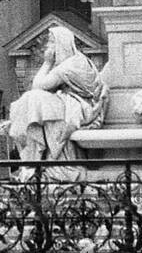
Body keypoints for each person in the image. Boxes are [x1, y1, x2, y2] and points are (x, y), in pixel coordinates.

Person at [6, 25, 108, 182]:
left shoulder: (71, 65)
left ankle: (33, 161)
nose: (47, 47)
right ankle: (32, 161)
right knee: (32, 100)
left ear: (61, 44)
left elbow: (38, 85)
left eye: (51, 42)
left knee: (33, 98)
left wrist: (47, 62)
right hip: (74, 104)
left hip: (80, 107)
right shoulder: (74, 61)